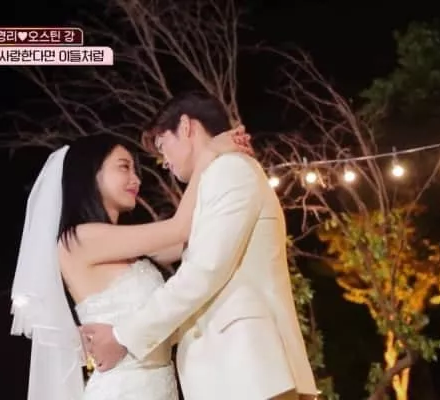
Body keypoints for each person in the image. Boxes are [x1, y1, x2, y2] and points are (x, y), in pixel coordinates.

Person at [80, 91, 319, 400]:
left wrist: (123, 336)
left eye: (162, 145)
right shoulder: (218, 175)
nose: (164, 161)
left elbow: (204, 271)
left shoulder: (229, 170)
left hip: (247, 369)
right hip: (232, 374)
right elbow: (173, 245)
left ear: (185, 126)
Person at [9, 128, 251, 400]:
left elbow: (194, 240)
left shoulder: (126, 248)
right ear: (90, 173)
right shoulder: (79, 239)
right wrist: (207, 154)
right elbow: (179, 228)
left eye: (135, 170)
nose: (136, 179)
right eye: (124, 167)